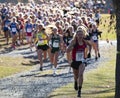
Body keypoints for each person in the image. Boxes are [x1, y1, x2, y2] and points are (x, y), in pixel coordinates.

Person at [67, 26, 90, 97]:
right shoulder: (74, 41)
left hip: (82, 61)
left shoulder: (85, 42)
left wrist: (85, 58)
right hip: (74, 61)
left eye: (81, 34)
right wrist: (72, 47)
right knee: (76, 75)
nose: (80, 36)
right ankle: (75, 81)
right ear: (76, 35)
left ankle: (79, 90)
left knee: (80, 74)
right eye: (79, 34)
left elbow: (87, 50)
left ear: (83, 35)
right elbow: (67, 50)